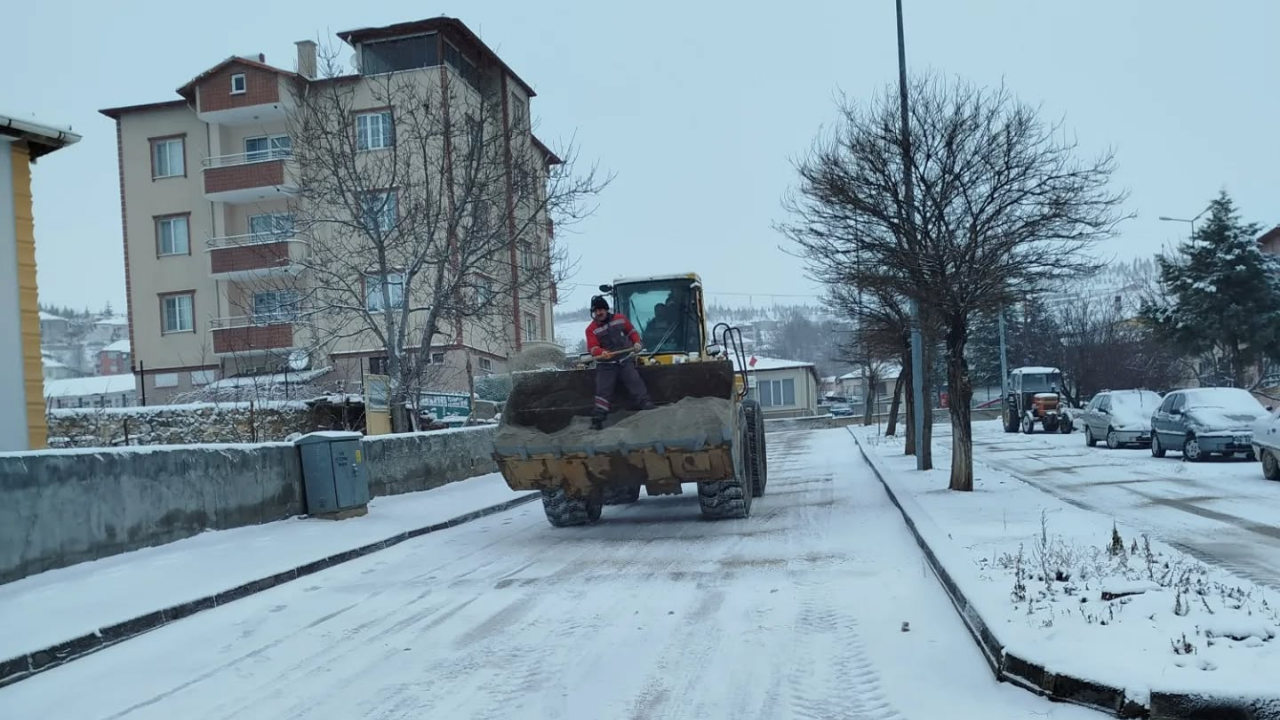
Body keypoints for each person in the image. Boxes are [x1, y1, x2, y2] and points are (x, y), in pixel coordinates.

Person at [585, 295, 655, 429]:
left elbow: (631, 332)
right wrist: (601, 353)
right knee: (603, 389)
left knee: (635, 381)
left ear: (606, 309)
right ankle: (599, 416)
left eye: (601, 310)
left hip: (624, 360)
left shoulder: (620, 319)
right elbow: (592, 347)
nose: (599, 313)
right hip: (606, 365)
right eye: (596, 311)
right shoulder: (591, 329)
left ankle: (646, 405)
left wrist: (636, 343)